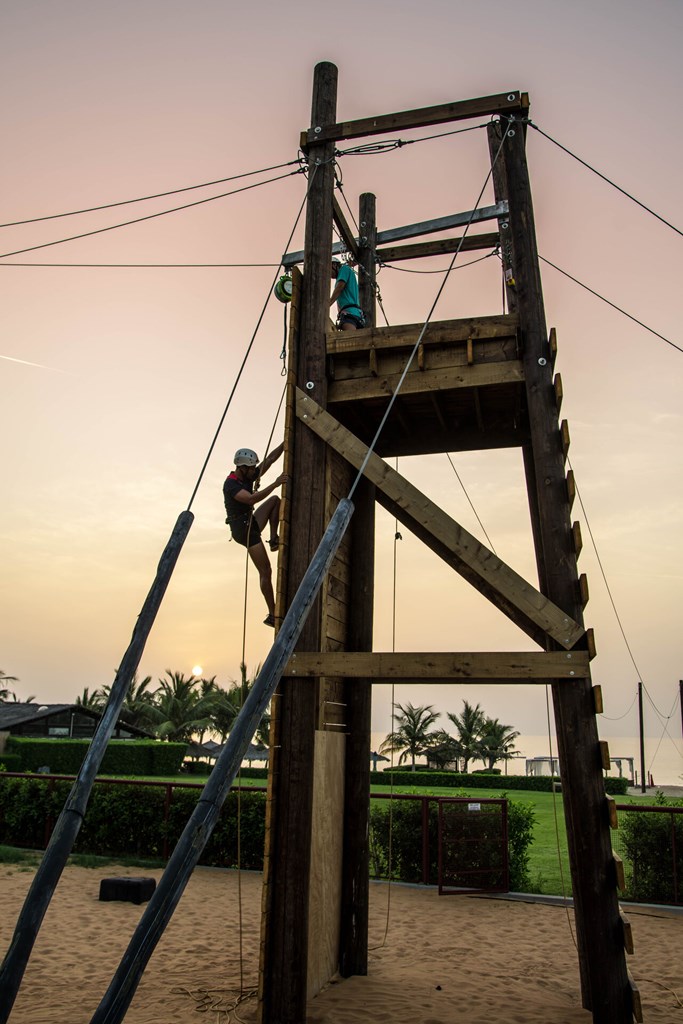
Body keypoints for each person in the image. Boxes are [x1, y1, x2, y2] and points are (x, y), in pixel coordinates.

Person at [223, 443, 286, 626]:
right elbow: (250, 499)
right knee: (265, 570)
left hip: (251, 521)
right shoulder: (231, 484)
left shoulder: (247, 475)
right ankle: (273, 615)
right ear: (242, 468)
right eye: (251, 468)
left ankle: (274, 539)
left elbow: (270, 460)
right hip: (243, 529)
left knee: (274, 501)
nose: (254, 471)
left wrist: (285, 442)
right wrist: (276, 483)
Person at [330, 256, 365, 330]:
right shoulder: (347, 271)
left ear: (334, 265)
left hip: (349, 314)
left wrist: (327, 304)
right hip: (357, 315)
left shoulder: (344, 269)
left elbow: (339, 287)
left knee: (350, 340)